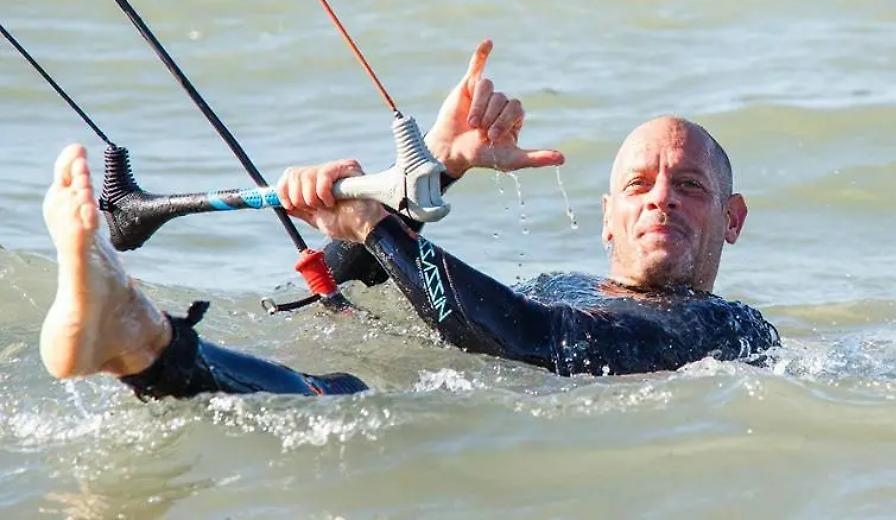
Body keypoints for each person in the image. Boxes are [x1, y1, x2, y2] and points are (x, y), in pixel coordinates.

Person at [38, 40, 779, 399]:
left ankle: (134, 329)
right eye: (641, 184)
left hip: (476, 438)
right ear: (607, 218)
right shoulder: (562, 282)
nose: (662, 198)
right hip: (434, 401)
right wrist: (438, 170)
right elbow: (328, 289)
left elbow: (528, 337)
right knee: (338, 373)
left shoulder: (732, 331)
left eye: (689, 186)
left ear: (732, 218)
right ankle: (128, 329)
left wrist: (373, 225)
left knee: (349, 396)